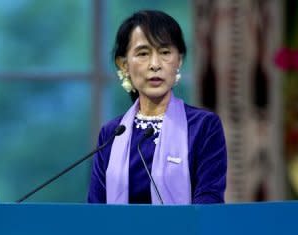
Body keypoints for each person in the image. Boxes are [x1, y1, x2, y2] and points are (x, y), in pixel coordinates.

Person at [88, 10, 227, 204]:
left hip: (182, 234)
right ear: (124, 64)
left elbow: (209, 203)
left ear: (179, 60)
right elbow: (96, 211)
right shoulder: (111, 133)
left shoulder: (203, 127)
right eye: (143, 53)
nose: (155, 64)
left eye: (165, 52)